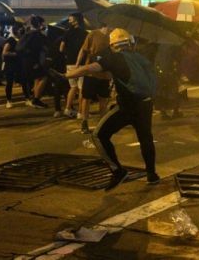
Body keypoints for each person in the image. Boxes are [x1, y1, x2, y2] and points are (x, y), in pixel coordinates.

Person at [64, 28, 159, 190]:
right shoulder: (140, 57)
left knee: (98, 135)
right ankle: (152, 175)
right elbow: (113, 75)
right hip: (146, 103)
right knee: (146, 138)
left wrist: (67, 75)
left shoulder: (114, 58)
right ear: (130, 43)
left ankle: (118, 171)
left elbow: (89, 68)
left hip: (127, 106)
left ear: (113, 45)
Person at [75, 26, 111, 134]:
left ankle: (102, 124)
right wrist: (77, 64)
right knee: (86, 98)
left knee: (103, 99)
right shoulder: (93, 34)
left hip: (106, 73)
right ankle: (84, 121)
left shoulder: (114, 35)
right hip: (91, 72)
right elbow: (83, 49)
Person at [60, 13, 88, 117]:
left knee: (73, 87)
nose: (69, 22)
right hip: (81, 63)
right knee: (81, 88)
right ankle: (80, 112)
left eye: (70, 20)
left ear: (75, 21)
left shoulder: (66, 33)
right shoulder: (85, 33)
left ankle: (67, 109)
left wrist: (68, 54)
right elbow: (86, 49)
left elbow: (61, 48)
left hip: (69, 63)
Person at [18, 15, 49, 108]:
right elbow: (38, 49)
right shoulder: (37, 35)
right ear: (39, 24)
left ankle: (35, 98)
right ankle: (36, 99)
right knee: (44, 77)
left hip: (26, 61)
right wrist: (36, 62)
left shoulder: (27, 33)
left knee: (37, 79)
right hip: (34, 61)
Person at [2, 24, 24, 108]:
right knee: (9, 82)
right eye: (20, 29)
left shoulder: (21, 39)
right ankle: (8, 100)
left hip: (19, 64)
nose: (21, 31)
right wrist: (15, 54)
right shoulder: (11, 40)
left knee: (24, 81)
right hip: (11, 64)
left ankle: (27, 98)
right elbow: (4, 52)